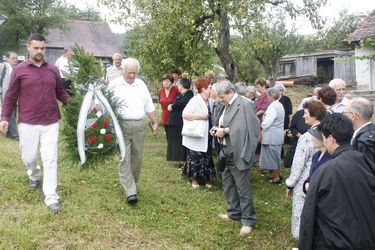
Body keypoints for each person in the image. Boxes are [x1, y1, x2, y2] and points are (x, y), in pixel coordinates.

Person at [0, 33, 70, 214]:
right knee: (29, 157)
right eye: (36, 48)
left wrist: (75, 104)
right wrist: (4, 118)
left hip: (51, 123)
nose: (40, 51)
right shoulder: (20, 70)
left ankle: (51, 197)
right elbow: (10, 97)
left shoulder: (53, 70)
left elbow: (60, 93)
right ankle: (33, 173)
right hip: (28, 123)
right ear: (28, 48)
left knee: (50, 159)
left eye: (42, 48)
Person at [299, 114, 375, 249]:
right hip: (365, 238)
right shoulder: (364, 160)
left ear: (331, 139)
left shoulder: (326, 171)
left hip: (335, 241)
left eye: (323, 137)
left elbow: (308, 215)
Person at [108, 57, 158, 204]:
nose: (131, 76)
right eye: (129, 72)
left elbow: (149, 104)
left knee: (137, 158)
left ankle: (132, 183)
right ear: (123, 70)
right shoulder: (114, 85)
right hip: (121, 125)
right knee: (124, 157)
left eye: (134, 73)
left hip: (139, 126)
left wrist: (154, 121)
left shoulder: (141, 85)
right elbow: (104, 104)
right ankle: (130, 191)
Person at [212, 80, 259, 236]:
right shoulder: (226, 105)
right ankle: (234, 214)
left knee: (242, 188)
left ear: (231, 92)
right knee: (228, 184)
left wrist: (225, 131)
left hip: (239, 152)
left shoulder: (245, 104)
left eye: (221, 96)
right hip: (225, 151)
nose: (219, 99)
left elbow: (252, 131)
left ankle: (248, 220)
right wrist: (218, 130)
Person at [285, 100, 326, 239]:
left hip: (305, 181)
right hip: (323, 179)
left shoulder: (307, 137)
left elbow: (298, 164)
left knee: (300, 211)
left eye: (306, 113)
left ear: (315, 115)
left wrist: (290, 184)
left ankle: (300, 237)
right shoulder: (328, 132)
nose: (303, 116)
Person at [182, 79, 215, 188]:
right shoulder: (195, 100)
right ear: (203, 89)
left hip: (208, 134)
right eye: (209, 88)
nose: (211, 89)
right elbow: (185, 115)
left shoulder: (211, 101)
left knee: (207, 155)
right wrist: (201, 116)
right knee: (195, 156)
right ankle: (195, 178)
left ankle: (207, 178)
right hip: (196, 133)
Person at [259, 87, 285, 184]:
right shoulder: (279, 105)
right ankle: (276, 175)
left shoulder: (273, 107)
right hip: (277, 135)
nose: (267, 98)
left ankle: (276, 178)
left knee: (273, 157)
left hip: (272, 136)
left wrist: (260, 127)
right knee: (275, 157)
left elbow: (266, 123)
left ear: (272, 96)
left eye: (268, 96)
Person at [167, 78, 194, 164]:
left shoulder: (189, 94)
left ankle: (184, 161)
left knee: (180, 143)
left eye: (178, 84)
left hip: (180, 123)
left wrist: (173, 106)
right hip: (175, 123)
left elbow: (182, 103)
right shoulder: (181, 94)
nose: (177, 86)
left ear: (182, 86)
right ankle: (180, 160)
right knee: (176, 142)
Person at [343, 97, 375, 162]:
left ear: (353, 116)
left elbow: (366, 168)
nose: (343, 116)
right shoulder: (366, 134)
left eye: (344, 113)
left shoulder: (365, 141)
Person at [302, 126, 332, 193]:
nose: (312, 139)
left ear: (323, 139)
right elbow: (311, 175)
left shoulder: (330, 158)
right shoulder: (316, 155)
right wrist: (307, 183)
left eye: (314, 137)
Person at [0, 51, 19, 140]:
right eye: (13, 58)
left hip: (14, 96)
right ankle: (15, 135)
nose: (15, 60)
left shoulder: (16, 68)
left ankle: (8, 132)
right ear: (7, 58)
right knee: (10, 114)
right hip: (5, 95)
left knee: (13, 114)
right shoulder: (2, 67)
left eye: (16, 58)